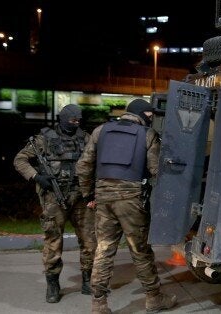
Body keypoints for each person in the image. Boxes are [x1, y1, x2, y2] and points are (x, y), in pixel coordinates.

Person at [76, 99, 176, 314]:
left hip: (103, 198)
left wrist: (88, 195)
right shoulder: (147, 134)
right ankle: (154, 299)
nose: (151, 119)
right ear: (143, 115)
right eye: (150, 116)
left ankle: (99, 304)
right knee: (140, 251)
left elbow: (83, 166)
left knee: (103, 250)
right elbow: (155, 170)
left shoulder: (100, 131)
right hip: (131, 200)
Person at [13, 104, 97, 303]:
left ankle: (88, 279)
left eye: (78, 120)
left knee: (89, 239)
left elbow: (96, 161)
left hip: (81, 196)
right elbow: (20, 160)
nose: (75, 124)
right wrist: (36, 177)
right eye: (72, 120)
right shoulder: (43, 140)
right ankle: (53, 283)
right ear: (63, 118)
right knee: (53, 241)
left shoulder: (85, 138)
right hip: (53, 196)